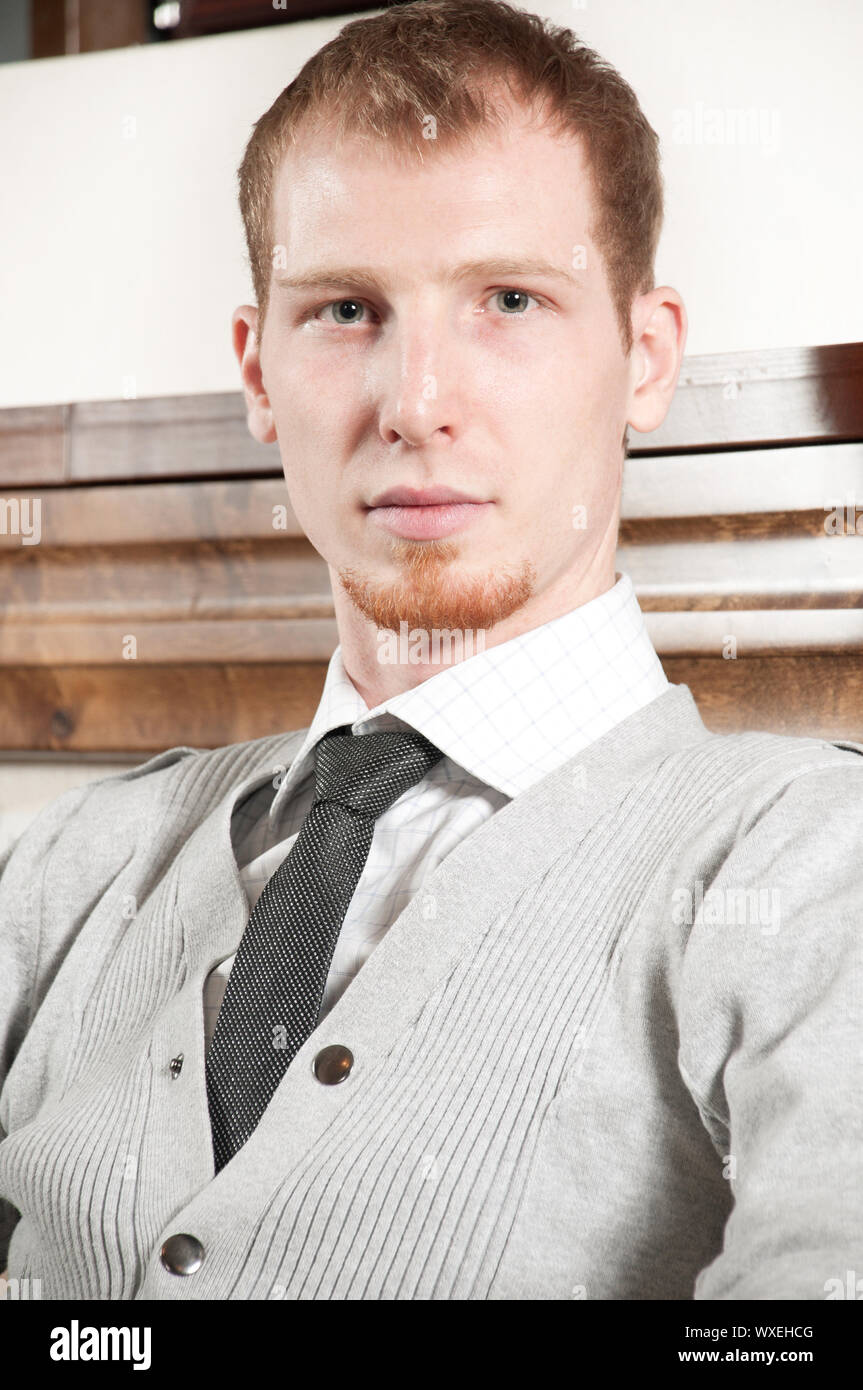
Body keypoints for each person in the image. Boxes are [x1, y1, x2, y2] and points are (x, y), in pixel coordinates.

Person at [1, 0, 861, 1302]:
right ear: (257, 368)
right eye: (346, 309)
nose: (415, 405)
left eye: (510, 299)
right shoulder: (72, 868)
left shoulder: (809, 872)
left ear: (644, 356)